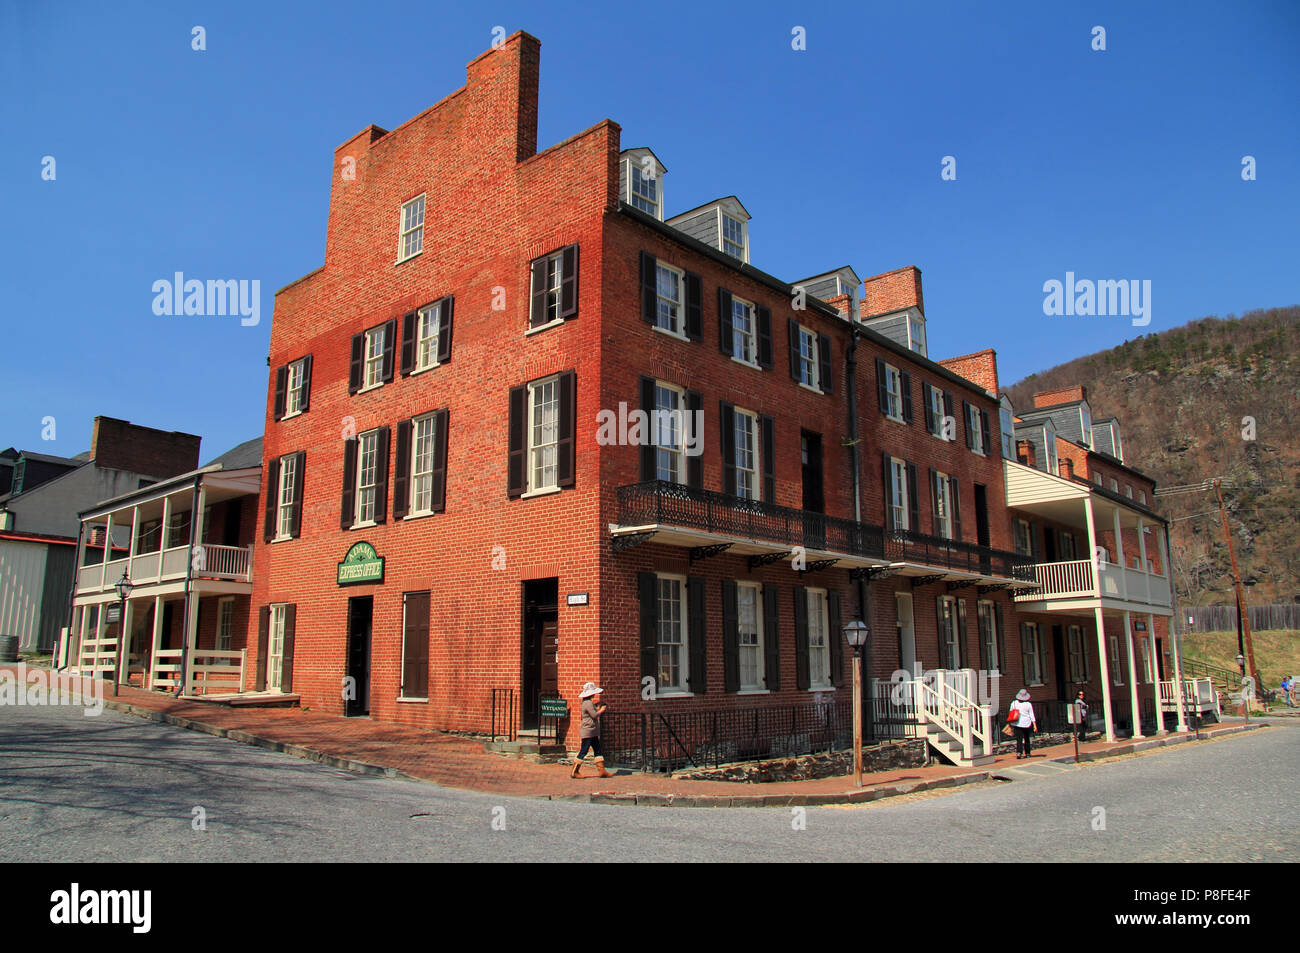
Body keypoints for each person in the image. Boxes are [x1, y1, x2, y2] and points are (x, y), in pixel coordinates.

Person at [571, 681, 612, 779]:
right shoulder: (588, 703)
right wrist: (601, 710)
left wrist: (596, 707)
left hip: (592, 731)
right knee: (584, 750)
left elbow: (591, 712)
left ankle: (602, 771)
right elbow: (594, 715)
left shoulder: (587, 703)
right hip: (588, 731)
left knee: (598, 750)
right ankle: (574, 771)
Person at [1009, 688, 1038, 759]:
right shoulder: (1028, 704)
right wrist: (1034, 725)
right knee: (1026, 738)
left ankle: (1019, 752)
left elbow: (1011, 713)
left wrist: (1011, 725)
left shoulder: (1014, 703)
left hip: (1017, 723)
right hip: (1026, 723)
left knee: (1019, 739)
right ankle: (1027, 753)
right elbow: (1032, 715)